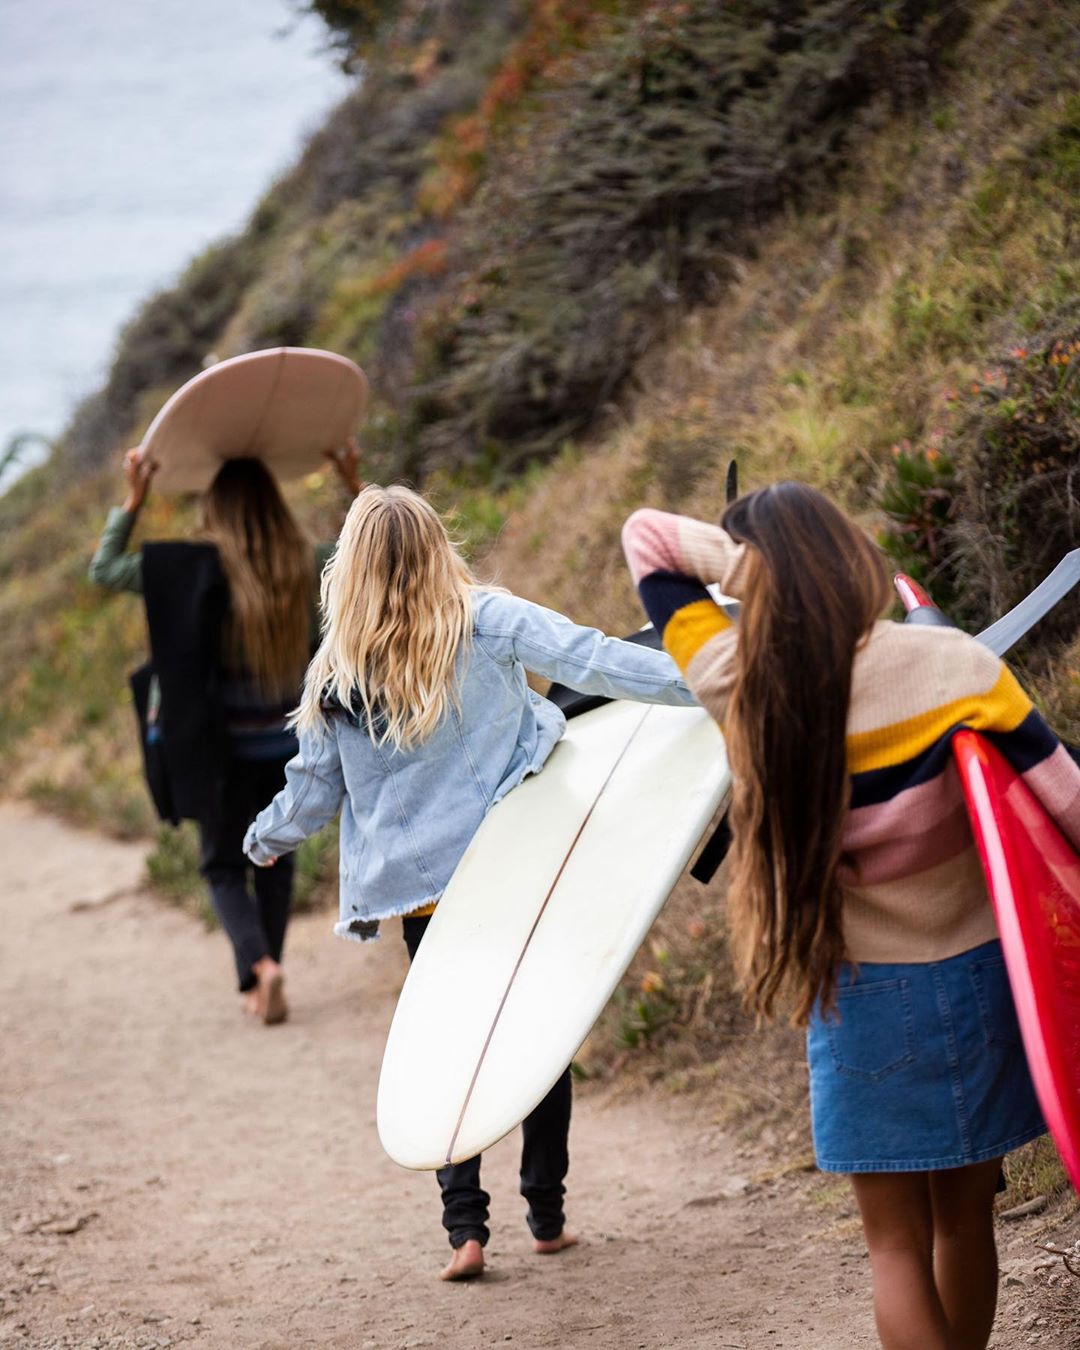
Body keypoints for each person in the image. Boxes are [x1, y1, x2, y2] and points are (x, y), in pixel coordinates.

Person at [621, 482, 1080, 1350]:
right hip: (984, 978)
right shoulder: (954, 669)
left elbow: (648, 540)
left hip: (861, 995)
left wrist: (760, 573)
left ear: (763, 585)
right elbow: (1065, 806)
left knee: (893, 1251)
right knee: (965, 1223)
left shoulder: (744, 686)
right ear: (851, 557)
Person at [242, 484, 696, 1280]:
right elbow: (600, 661)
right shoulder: (487, 619)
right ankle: (547, 1214)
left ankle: (466, 1233)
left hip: (427, 898)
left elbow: (311, 790)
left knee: (453, 1039)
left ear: (348, 570)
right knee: (536, 1033)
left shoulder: (337, 670)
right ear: (433, 546)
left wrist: (263, 841)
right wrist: (715, 682)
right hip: (514, 867)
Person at [88, 442, 363, 1024]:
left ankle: (258, 967)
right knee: (275, 856)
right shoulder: (308, 561)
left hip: (219, 752)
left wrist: (134, 498)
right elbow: (374, 553)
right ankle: (269, 974)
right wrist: (351, 479)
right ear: (273, 502)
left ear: (215, 507)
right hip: (292, 746)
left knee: (220, 865)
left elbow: (105, 568)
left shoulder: (192, 567)